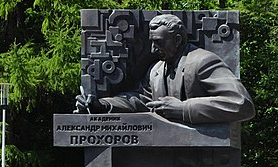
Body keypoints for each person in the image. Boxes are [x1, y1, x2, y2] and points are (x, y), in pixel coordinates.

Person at [76, 14, 255, 124]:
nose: (154, 49)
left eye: (159, 43)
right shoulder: (156, 70)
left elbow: (241, 103)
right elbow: (140, 100)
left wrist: (185, 109)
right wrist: (103, 105)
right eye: (152, 42)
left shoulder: (203, 61)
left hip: (204, 155)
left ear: (177, 40)